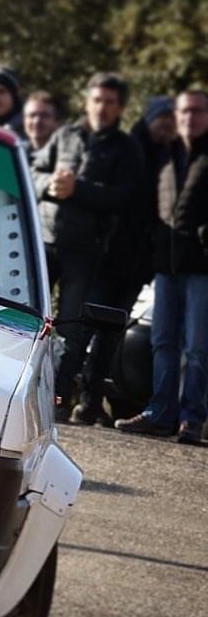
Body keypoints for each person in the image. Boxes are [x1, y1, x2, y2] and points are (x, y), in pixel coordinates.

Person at [32, 72, 143, 421]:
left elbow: (125, 198)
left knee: (71, 330)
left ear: (120, 108)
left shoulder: (126, 148)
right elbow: (33, 171)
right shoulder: (65, 134)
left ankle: (58, 401)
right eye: (97, 100)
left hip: (85, 252)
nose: (102, 108)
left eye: (110, 102)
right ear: (87, 102)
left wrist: (77, 190)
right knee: (27, 319)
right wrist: (49, 184)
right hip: (44, 242)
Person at [115, 90, 208, 445]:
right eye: (183, 111)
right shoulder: (165, 155)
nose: (189, 117)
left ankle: (192, 419)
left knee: (198, 348)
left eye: (197, 111)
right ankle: (160, 413)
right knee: (163, 341)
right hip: (166, 265)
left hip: (202, 267)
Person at [72, 96, 171, 425]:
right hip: (108, 256)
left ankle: (91, 402)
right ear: (150, 118)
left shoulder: (172, 157)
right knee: (86, 328)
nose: (167, 125)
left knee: (111, 335)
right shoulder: (129, 149)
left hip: (139, 265)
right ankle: (66, 395)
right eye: (163, 118)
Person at [20, 91, 61, 165]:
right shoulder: (17, 153)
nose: (37, 121)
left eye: (44, 116)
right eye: (32, 115)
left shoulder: (65, 157)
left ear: (57, 122)